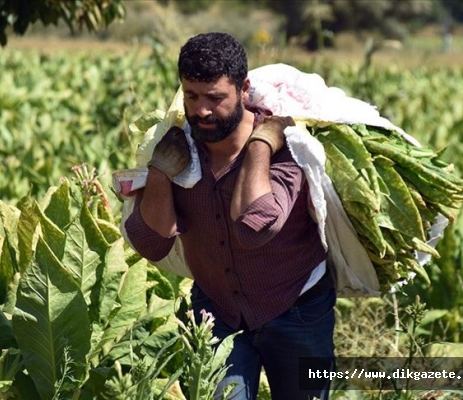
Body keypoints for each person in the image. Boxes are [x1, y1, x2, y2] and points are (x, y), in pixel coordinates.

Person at [124, 32, 336, 400]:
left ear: (243, 89)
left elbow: (254, 227)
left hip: (297, 310)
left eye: (216, 98)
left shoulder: (287, 148)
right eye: (191, 96)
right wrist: (159, 174)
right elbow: (151, 244)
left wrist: (258, 146)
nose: (202, 110)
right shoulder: (178, 147)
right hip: (216, 312)